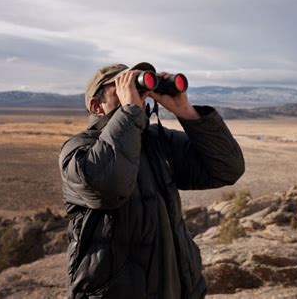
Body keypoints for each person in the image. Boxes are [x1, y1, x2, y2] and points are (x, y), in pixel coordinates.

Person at [59, 62, 245, 299]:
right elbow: (109, 186)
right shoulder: (79, 149)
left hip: (179, 290)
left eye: (137, 86)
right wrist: (129, 113)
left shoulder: (157, 142)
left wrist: (186, 112)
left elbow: (227, 169)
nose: (136, 95)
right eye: (121, 86)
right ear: (96, 105)